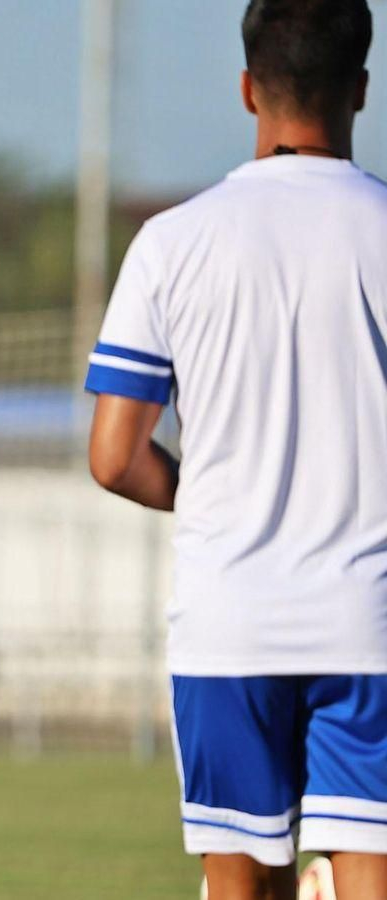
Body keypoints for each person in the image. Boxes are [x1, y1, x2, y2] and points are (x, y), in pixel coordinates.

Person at [86, 2, 387, 898]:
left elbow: (114, 455)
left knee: (244, 878)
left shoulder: (173, 241)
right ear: (361, 91)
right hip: (369, 617)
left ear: (249, 88)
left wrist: (216, 491)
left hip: (231, 617)